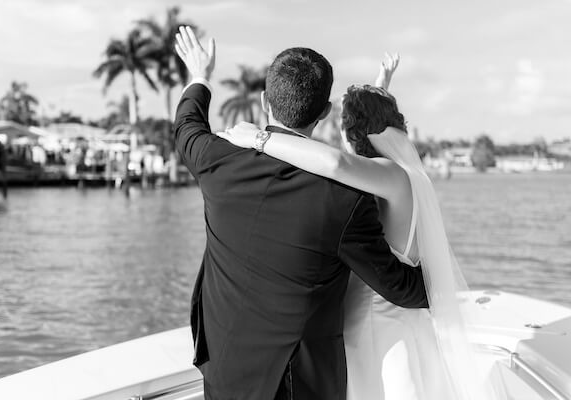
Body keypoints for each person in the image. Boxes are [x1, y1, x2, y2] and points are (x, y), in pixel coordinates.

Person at [216, 58, 503, 399]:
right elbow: (359, 137)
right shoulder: (403, 174)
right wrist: (381, 84)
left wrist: (258, 138)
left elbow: (335, 161)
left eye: (345, 127)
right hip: (405, 324)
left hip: (371, 327)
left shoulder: (388, 175)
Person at [173, 27, 428, 400]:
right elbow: (397, 286)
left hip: (223, 361)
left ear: (264, 101)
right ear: (324, 113)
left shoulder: (216, 159)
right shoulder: (346, 199)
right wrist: (441, 287)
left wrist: (200, 75)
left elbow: (186, 125)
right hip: (296, 383)